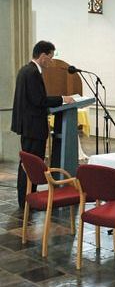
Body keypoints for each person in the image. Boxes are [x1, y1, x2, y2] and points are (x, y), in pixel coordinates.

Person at [11, 41, 75, 208]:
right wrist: (63, 99)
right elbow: (38, 100)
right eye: (51, 58)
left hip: (28, 127)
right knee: (31, 165)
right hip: (33, 128)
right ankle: (27, 200)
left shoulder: (25, 70)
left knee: (27, 165)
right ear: (43, 56)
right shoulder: (32, 73)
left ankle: (27, 199)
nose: (51, 62)